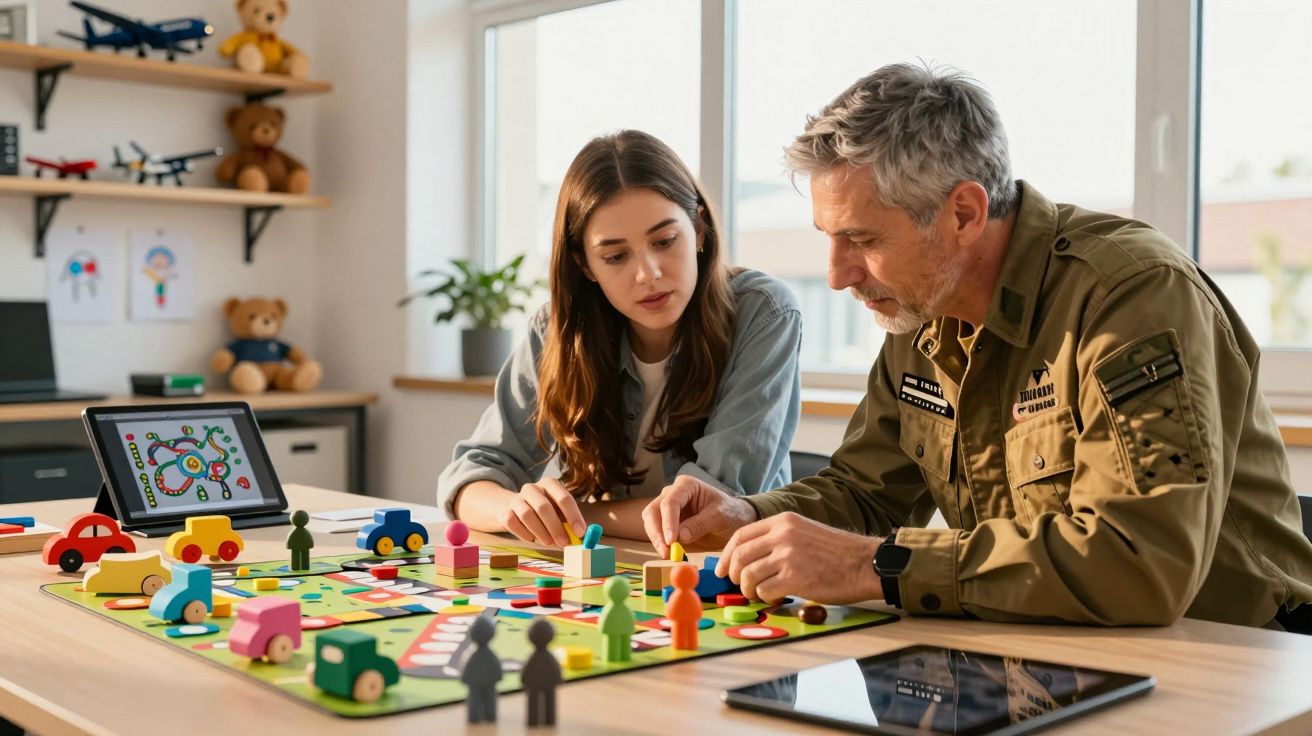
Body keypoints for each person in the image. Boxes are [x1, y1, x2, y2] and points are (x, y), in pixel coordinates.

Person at [644, 63, 1312, 630]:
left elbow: (1141, 560)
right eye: (829, 237)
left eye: (864, 240)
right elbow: (866, 492)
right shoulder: (921, 312)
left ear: (963, 213)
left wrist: (867, 565)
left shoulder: (1131, 297)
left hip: (1235, 658)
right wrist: (745, 515)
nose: (837, 274)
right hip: (1046, 649)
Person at [438, 130, 802, 546]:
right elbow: (468, 479)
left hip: (723, 578)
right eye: (615, 256)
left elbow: (707, 516)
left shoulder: (765, 311)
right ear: (585, 264)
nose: (648, 273)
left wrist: (575, 515)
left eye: (665, 241)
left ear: (699, 230)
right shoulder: (559, 328)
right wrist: (513, 508)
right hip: (607, 571)